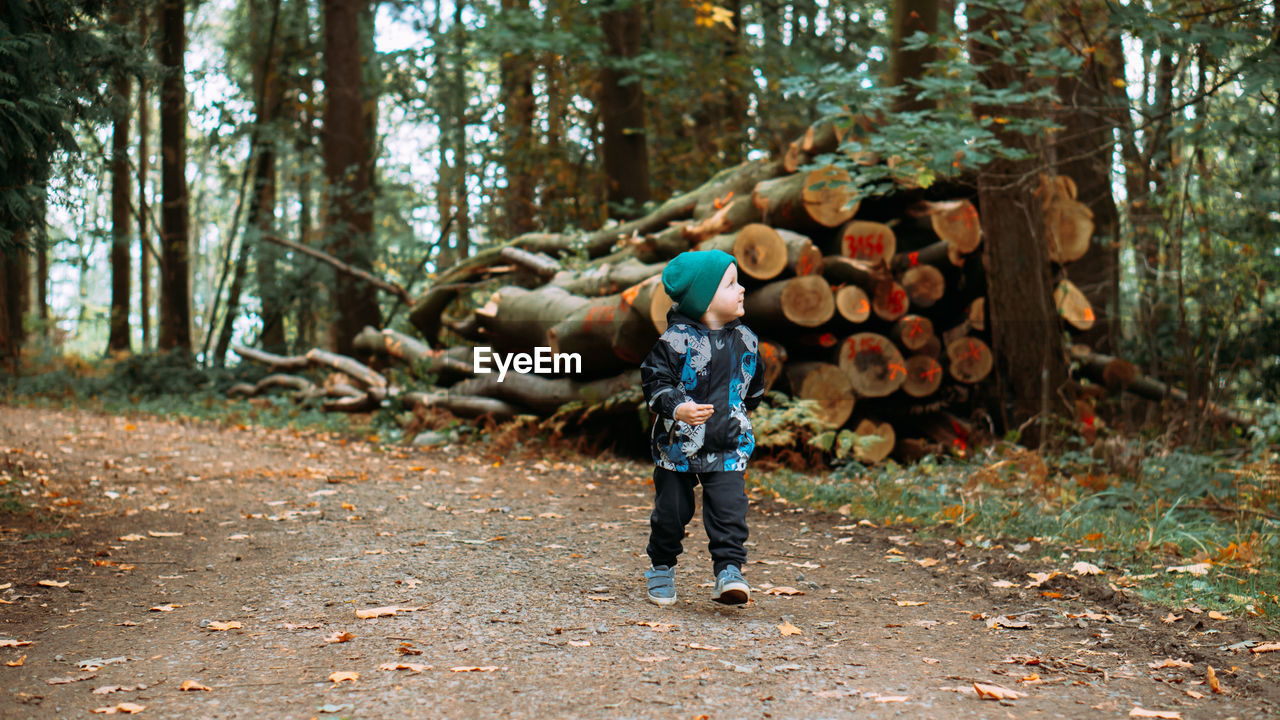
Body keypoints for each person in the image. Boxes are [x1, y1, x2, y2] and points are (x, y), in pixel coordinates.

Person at [639, 249, 764, 606]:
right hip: (678, 448)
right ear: (705, 300)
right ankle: (661, 566)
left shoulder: (747, 340)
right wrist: (678, 407)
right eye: (730, 284)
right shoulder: (674, 342)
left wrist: (741, 410)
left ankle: (729, 570)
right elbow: (655, 383)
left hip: (728, 445)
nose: (741, 289)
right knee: (671, 513)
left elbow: (754, 386)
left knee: (730, 510)